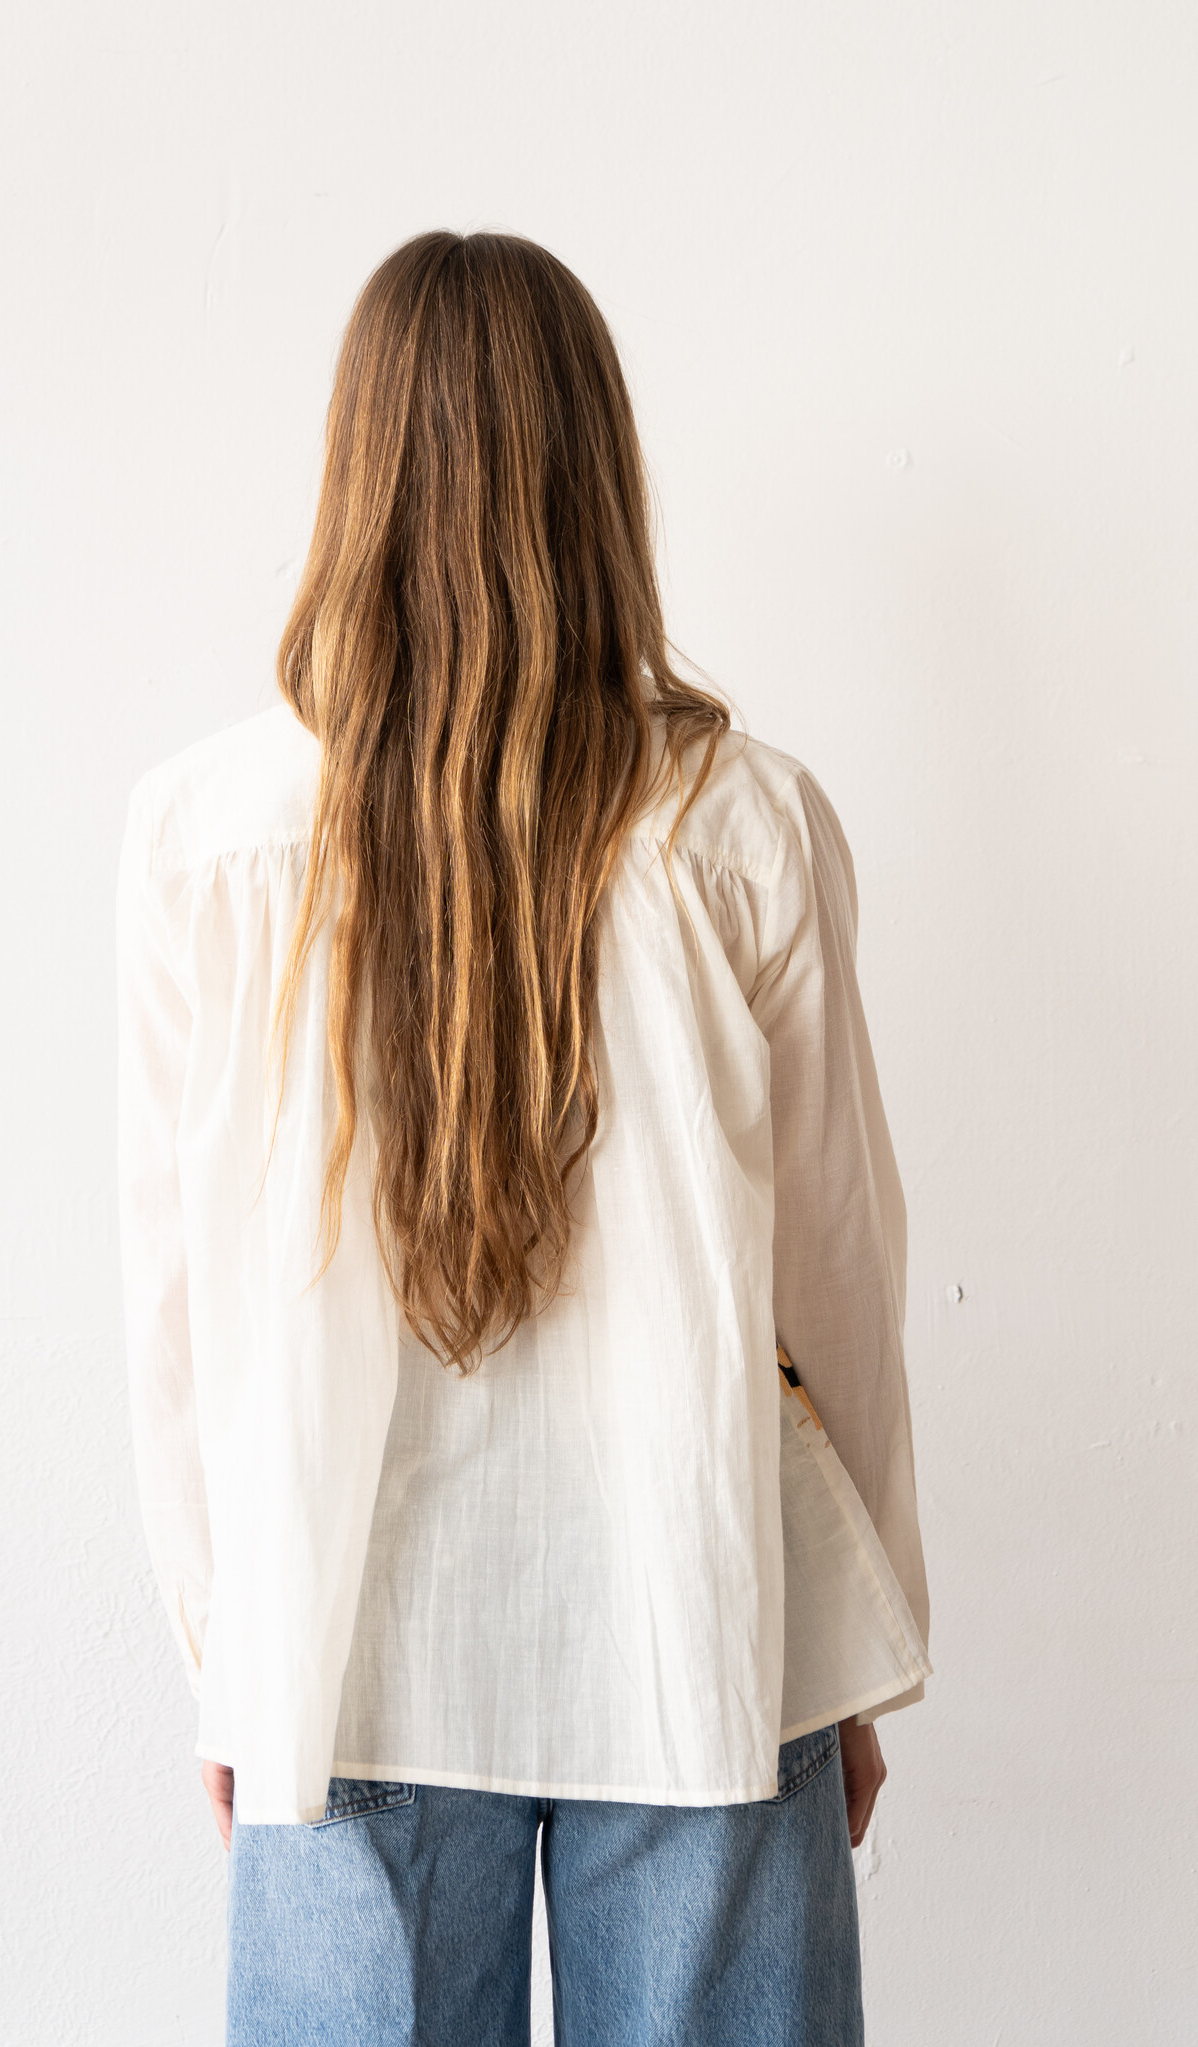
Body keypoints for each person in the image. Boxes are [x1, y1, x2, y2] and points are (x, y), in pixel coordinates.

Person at [116, 229, 931, 2046]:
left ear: (356, 467)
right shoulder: (741, 827)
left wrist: (226, 1647)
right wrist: (856, 1637)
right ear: (597, 472)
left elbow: (177, 1303)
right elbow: (839, 1272)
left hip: (340, 1634)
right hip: (705, 1616)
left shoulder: (207, 835)